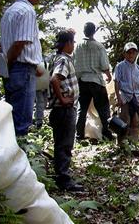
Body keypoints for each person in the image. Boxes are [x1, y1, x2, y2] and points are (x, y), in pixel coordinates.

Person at [0, 0, 43, 136]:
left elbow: (3, 44)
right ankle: (18, 156)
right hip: (21, 69)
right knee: (21, 122)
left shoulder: (9, 12)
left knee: (13, 118)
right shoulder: (27, 11)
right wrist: (8, 64)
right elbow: (19, 43)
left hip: (13, 70)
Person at [48, 30, 83, 191]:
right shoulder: (63, 60)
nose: (74, 45)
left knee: (61, 143)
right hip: (64, 109)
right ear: (67, 43)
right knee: (65, 144)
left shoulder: (57, 58)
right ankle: (63, 179)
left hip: (62, 109)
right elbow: (55, 79)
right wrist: (63, 99)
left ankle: (61, 175)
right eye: (73, 42)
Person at [74, 22, 113, 140]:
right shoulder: (98, 46)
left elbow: (74, 63)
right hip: (96, 80)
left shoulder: (78, 46)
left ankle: (79, 134)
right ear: (94, 31)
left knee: (82, 108)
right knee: (103, 108)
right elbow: (104, 65)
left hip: (82, 81)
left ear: (84, 31)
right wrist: (108, 75)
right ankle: (106, 133)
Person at [114, 42, 139, 141]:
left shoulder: (137, 67)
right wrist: (118, 98)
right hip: (125, 96)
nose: (131, 55)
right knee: (124, 120)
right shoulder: (120, 66)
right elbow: (117, 82)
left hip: (136, 96)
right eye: (129, 52)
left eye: (133, 52)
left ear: (136, 54)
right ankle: (122, 142)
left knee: (136, 120)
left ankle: (134, 140)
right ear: (124, 54)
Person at [34, 34, 50, 129]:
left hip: (45, 83)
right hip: (38, 84)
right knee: (40, 103)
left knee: (44, 103)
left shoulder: (46, 58)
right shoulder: (35, 57)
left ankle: (40, 120)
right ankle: (38, 122)